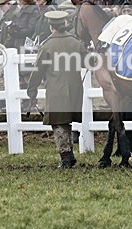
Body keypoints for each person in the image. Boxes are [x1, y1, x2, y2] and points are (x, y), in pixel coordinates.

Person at [26, 11, 87, 169]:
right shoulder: (76, 42)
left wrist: (31, 90)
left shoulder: (47, 45)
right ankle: (70, 156)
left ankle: (66, 157)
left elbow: (38, 71)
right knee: (66, 121)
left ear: (51, 26)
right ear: (65, 24)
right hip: (75, 89)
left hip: (56, 90)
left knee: (58, 123)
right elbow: (88, 62)